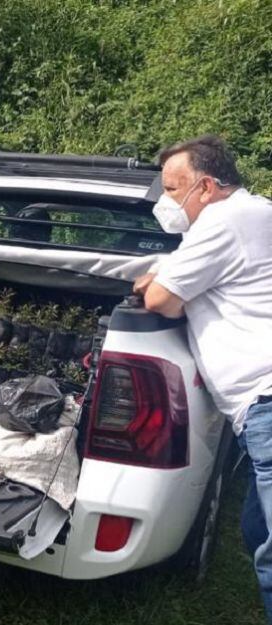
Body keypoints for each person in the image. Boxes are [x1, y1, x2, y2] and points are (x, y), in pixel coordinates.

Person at [133, 135, 272, 621]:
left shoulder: (223, 220)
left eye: (173, 190)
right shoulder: (258, 213)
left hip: (268, 402)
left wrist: (158, 278)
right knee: (259, 532)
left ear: (207, 186)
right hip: (261, 407)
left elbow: (160, 300)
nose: (168, 204)